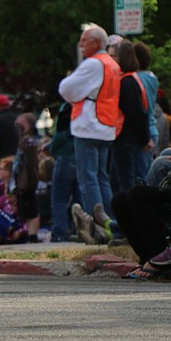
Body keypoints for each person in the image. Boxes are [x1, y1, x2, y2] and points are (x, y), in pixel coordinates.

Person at [58, 23, 120, 222]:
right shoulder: (112, 63)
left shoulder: (93, 63)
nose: (80, 44)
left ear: (95, 42)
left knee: (88, 179)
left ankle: (97, 224)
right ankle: (111, 222)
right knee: (102, 177)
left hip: (88, 126)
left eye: (84, 40)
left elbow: (66, 88)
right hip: (106, 125)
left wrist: (77, 96)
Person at [110, 39, 151, 195]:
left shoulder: (126, 83)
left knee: (125, 182)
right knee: (125, 179)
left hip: (126, 137)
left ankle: (127, 216)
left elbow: (137, 113)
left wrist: (145, 138)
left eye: (114, 56)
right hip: (130, 137)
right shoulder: (132, 80)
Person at [47, 101, 78, 242]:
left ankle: (60, 233)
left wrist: (51, 147)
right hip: (81, 156)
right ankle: (80, 229)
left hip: (65, 156)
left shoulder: (67, 107)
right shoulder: (88, 105)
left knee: (59, 198)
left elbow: (61, 133)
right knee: (79, 198)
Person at [10, 112, 42, 242]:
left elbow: (29, 164)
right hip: (23, 180)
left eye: (21, 125)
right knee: (26, 210)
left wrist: (27, 179)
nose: (18, 128)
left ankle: (32, 236)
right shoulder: (25, 141)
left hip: (27, 180)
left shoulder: (29, 142)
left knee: (31, 210)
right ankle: (30, 234)